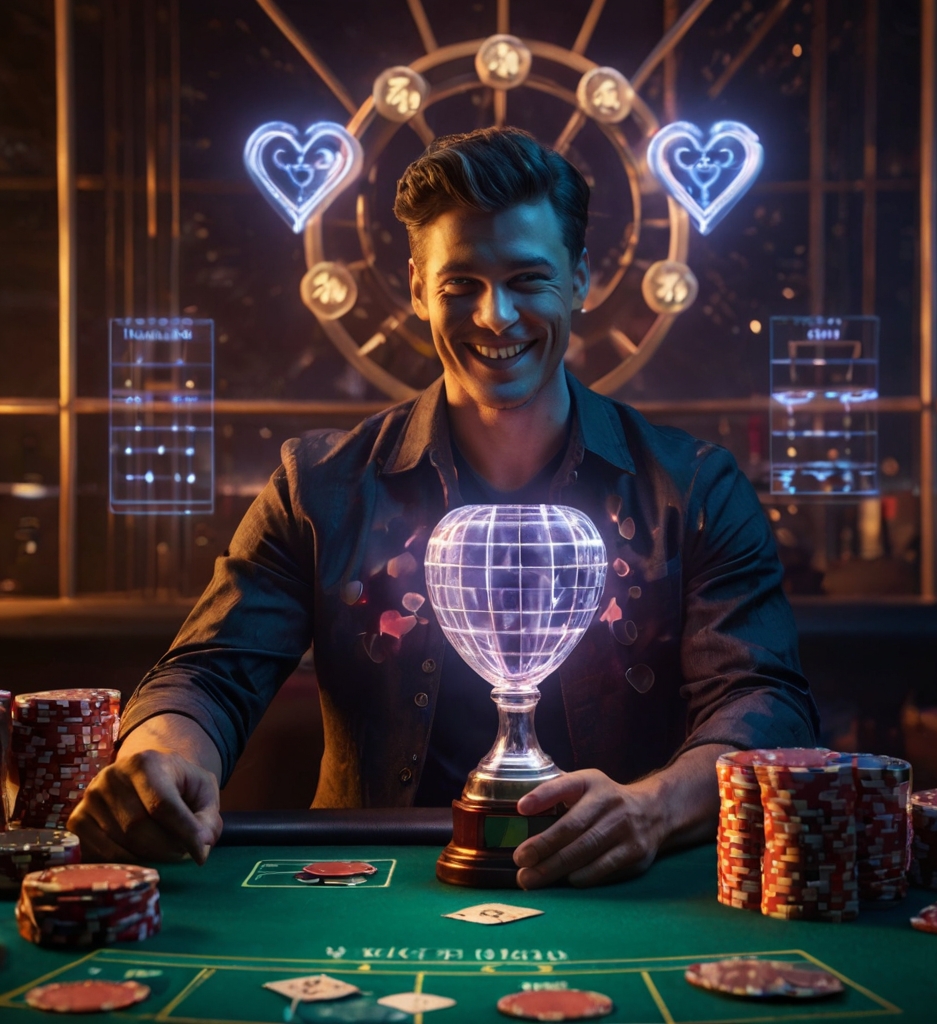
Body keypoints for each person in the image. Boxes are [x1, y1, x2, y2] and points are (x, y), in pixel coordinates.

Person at [69, 127, 818, 888]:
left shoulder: (694, 490)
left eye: (529, 279)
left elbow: (763, 705)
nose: (496, 317)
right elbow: (210, 674)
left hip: (625, 889)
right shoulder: (319, 485)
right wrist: (162, 755)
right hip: (365, 895)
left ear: (581, 279)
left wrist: (654, 809)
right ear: (419, 289)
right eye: (461, 283)